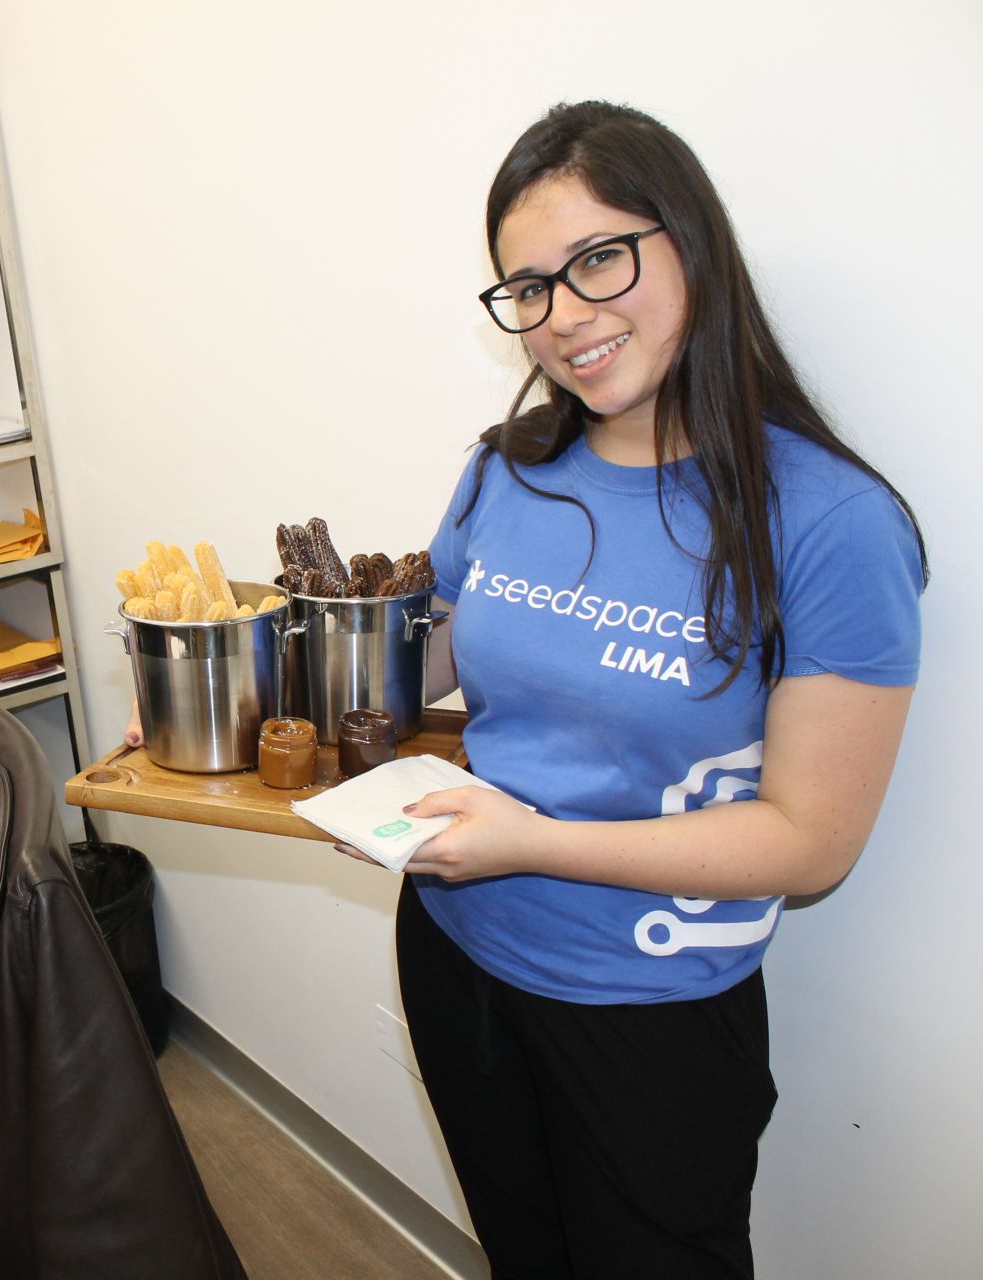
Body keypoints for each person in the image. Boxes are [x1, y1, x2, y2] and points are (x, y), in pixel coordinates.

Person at [363, 101, 927, 1276]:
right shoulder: (506, 470)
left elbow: (810, 842)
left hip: (651, 1005)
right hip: (459, 948)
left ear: (692, 242)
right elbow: (432, 662)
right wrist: (244, 676)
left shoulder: (830, 521)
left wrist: (532, 841)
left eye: (598, 259)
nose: (564, 315)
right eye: (530, 287)